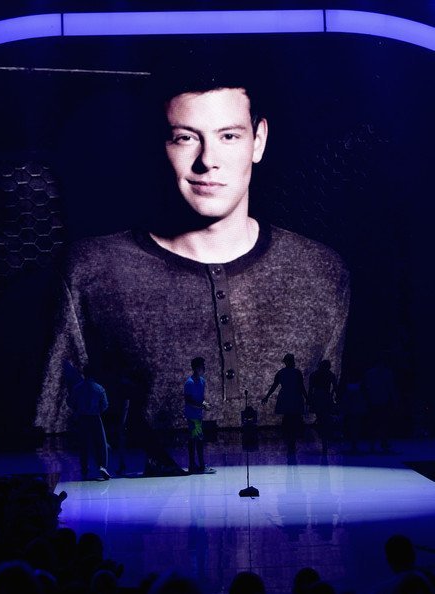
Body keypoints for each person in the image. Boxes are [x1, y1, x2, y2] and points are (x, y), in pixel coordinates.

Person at [36, 59, 350, 443]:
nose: (208, 161)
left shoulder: (320, 270)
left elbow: (332, 420)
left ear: (258, 140)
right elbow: (49, 437)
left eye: (229, 136)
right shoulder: (90, 270)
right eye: (185, 137)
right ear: (160, 144)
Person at [67, 365, 111, 480]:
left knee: (83, 444)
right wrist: (97, 410)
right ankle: (102, 466)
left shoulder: (77, 388)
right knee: (101, 444)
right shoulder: (99, 388)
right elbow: (105, 405)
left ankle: (84, 468)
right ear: (94, 375)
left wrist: (77, 410)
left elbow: (71, 403)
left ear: (84, 374)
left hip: (82, 418)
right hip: (95, 418)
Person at [262, 354, 307, 453]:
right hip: (294, 396)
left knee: (288, 417)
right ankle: (291, 439)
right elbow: (301, 386)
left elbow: (274, 385)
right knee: (293, 417)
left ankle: (289, 438)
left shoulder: (281, 373)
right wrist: (307, 397)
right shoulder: (296, 372)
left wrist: (267, 396)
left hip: (287, 396)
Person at [184, 357, 214, 474]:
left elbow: (200, 399)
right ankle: (199, 466)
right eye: (202, 366)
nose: (204, 368)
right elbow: (189, 401)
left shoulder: (202, 381)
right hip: (192, 416)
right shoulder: (189, 383)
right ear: (196, 368)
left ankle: (195, 465)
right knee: (197, 440)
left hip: (198, 415)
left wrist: (205, 404)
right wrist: (202, 406)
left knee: (196, 440)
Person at [308, 360, 337, 453]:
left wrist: (309, 399)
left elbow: (310, 388)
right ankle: (324, 440)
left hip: (317, 397)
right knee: (324, 419)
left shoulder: (314, 374)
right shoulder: (330, 374)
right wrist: (334, 396)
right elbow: (335, 387)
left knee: (320, 418)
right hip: (325, 397)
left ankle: (323, 439)